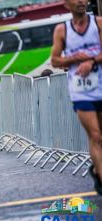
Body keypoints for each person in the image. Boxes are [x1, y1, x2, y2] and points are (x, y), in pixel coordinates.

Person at [51, 0, 102, 194]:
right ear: (66, 4)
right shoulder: (62, 30)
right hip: (80, 90)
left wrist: (91, 60)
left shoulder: (98, 23)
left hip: (101, 85)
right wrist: (74, 58)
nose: (82, 1)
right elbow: (55, 60)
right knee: (95, 135)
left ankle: (97, 170)